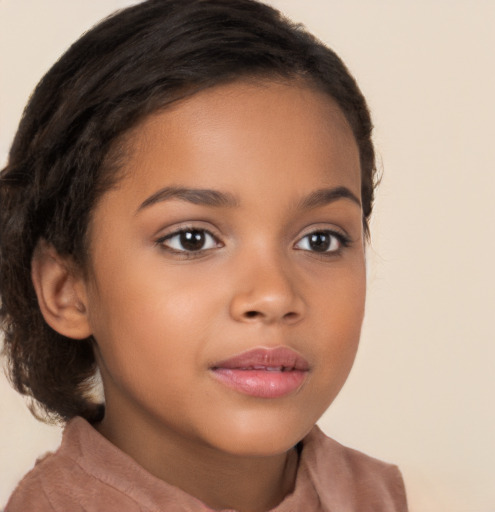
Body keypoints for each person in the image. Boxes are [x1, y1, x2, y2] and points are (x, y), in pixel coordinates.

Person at [0, 0, 408, 510]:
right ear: (68, 291)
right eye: (191, 239)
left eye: (320, 239)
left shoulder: (378, 495)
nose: (274, 295)